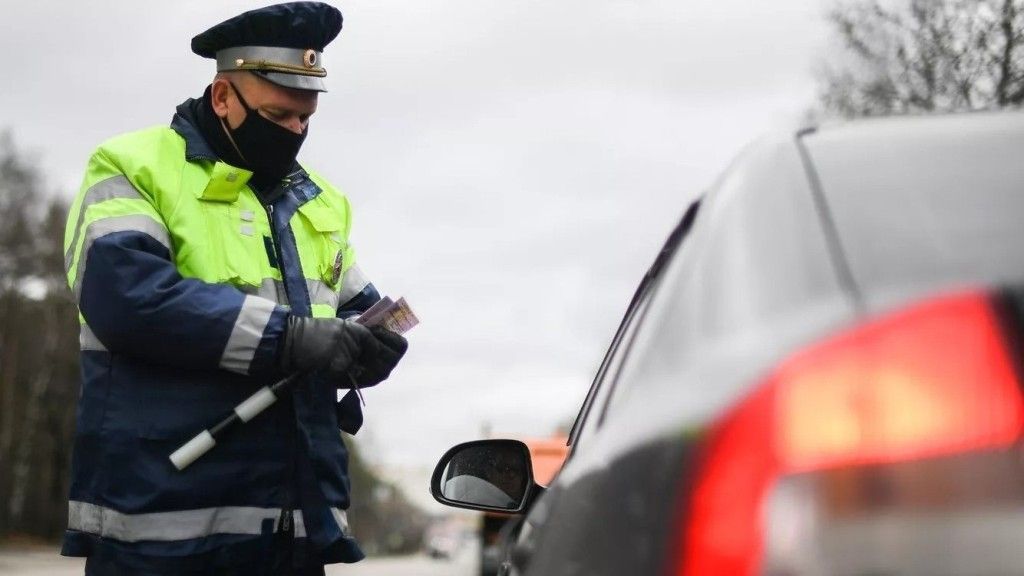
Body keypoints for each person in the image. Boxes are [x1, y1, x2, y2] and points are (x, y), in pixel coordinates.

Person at [60, 3, 407, 574]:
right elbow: (125, 301)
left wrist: (372, 349)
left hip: (296, 528)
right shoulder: (131, 166)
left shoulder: (321, 199)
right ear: (223, 97)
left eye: (306, 119)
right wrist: (288, 340)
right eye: (278, 115)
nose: (295, 132)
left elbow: (361, 312)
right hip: (162, 526)